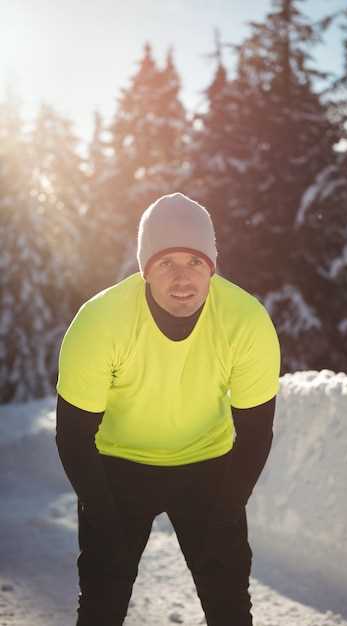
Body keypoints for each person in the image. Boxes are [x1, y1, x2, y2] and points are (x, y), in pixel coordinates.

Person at [55, 191, 281, 626]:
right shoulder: (99, 323)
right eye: (166, 263)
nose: (182, 277)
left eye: (195, 261)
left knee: (229, 599)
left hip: (207, 467)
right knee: (103, 596)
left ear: (212, 266)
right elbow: (73, 436)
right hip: (116, 468)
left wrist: (227, 509)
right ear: (145, 270)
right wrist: (103, 519)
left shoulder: (246, 321)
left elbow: (255, 434)